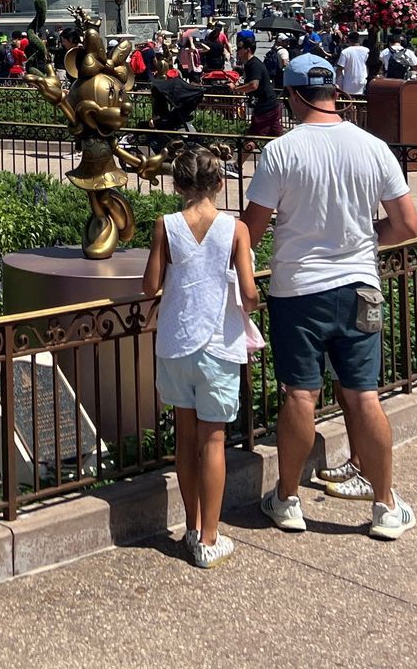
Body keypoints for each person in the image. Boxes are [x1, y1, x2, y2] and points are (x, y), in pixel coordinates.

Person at [241, 53, 417, 541]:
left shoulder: (282, 151)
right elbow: (407, 224)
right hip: (360, 285)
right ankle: (385, 505)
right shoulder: (372, 147)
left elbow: (251, 231)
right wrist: (365, 240)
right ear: (334, 93)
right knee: (363, 394)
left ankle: (288, 500)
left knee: (301, 394)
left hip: (299, 290)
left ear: (294, 95)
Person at [140, 149, 258, 569]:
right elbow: (248, 292)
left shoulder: (165, 226)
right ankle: (210, 537)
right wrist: (253, 300)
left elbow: (150, 285)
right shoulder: (235, 229)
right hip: (217, 343)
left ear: (177, 185)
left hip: (175, 341)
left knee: (186, 438)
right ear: (219, 184)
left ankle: (191, 527)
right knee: (214, 440)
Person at [236, 31, 282, 138]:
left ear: (247, 50)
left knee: (252, 137)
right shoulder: (249, 64)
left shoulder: (254, 64)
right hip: (269, 106)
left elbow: (253, 85)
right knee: (276, 136)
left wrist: (236, 89)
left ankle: (240, 154)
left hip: (266, 107)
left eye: (239, 48)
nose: (237, 51)